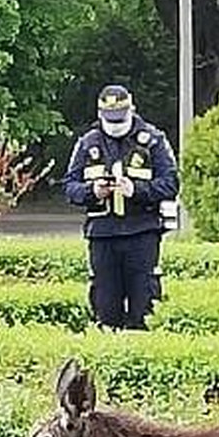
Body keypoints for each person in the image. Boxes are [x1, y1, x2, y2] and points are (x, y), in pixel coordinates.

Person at [63, 85, 180, 330]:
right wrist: (92, 191)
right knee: (105, 306)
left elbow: (171, 184)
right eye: (110, 119)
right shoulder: (88, 143)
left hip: (142, 233)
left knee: (144, 305)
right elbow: (69, 187)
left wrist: (136, 190)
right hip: (103, 235)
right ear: (99, 114)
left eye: (120, 118)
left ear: (132, 109)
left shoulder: (153, 140)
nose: (115, 124)